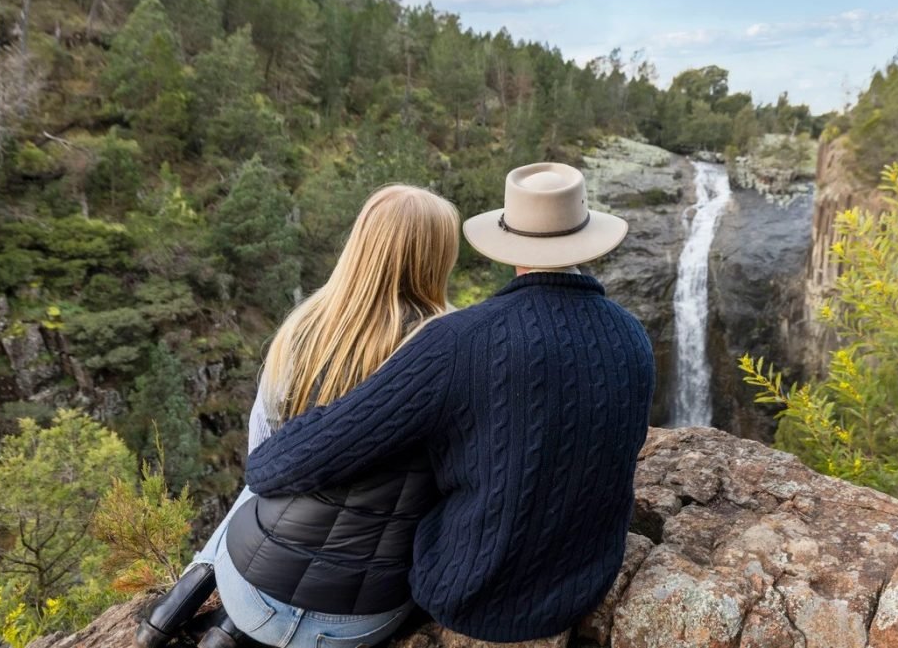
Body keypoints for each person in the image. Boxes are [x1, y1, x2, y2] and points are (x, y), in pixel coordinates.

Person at [245, 162, 656, 643]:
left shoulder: (459, 342)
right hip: (583, 585)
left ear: (508, 242)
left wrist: (262, 465)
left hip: (469, 594)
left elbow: (308, 452)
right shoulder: (633, 336)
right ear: (587, 237)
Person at [136, 185, 461, 648]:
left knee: (268, 474)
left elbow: (261, 459)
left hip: (248, 590)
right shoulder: (452, 346)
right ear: (439, 256)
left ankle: (178, 607)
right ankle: (227, 632)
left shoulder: (302, 328)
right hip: (357, 622)